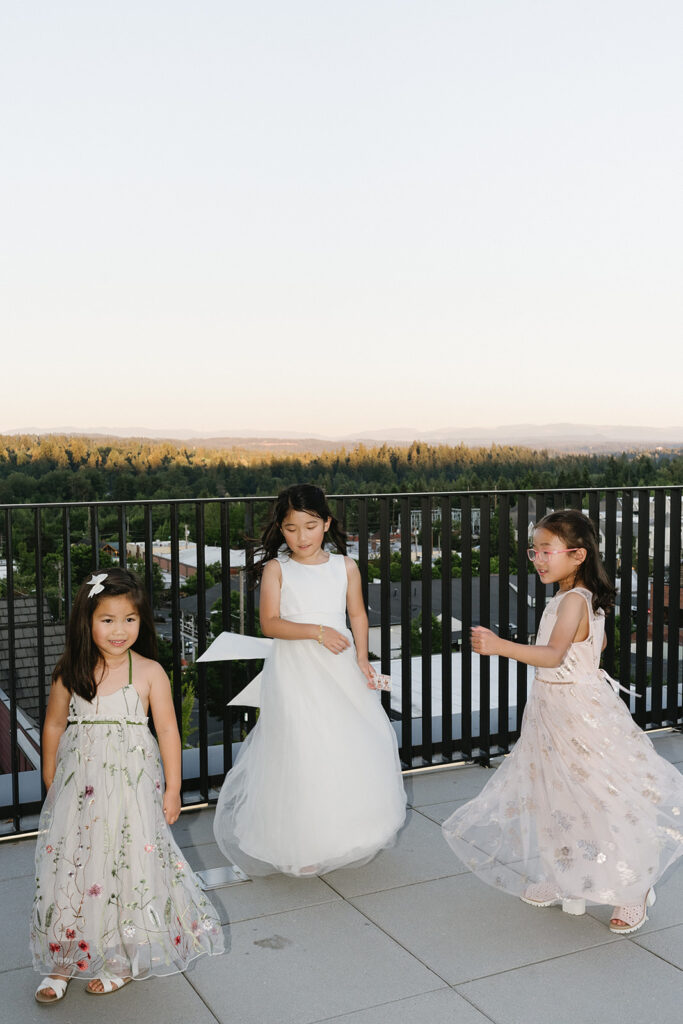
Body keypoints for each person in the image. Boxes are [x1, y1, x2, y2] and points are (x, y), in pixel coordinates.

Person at [442, 509, 683, 934]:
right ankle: (565, 873)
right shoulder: (573, 598)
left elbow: (553, 655)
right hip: (551, 710)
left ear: (577, 555)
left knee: (596, 795)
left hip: (578, 713)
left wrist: (500, 645)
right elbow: (594, 646)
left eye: (546, 551)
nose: (537, 558)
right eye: (534, 550)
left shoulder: (574, 600)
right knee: (555, 794)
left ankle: (634, 888)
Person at [31, 568, 224, 1004]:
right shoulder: (71, 671)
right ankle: (64, 957)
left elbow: (170, 731)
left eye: (129, 619)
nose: (120, 630)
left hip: (133, 788)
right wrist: (50, 779)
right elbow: (54, 725)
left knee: (127, 865)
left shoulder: (151, 671)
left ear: (142, 621)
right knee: (75, 867)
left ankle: (120, 957)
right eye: (108, 620)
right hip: (81, 789)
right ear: (87, 621)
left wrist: (173, 788)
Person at [213, 483, 406, 877]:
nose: (301, 537)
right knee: (300, 747)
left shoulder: (345, 566)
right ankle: (300, 840)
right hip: (296, 669)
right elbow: (270, 623)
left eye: (310, 526)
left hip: (339, 667)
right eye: (291, 528)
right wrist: (316, 631)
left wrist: (362, 658)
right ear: (280, 529)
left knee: (342, 743)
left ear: (326, 524)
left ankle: (344, 832)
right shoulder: (277, 569)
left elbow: (358, 616)